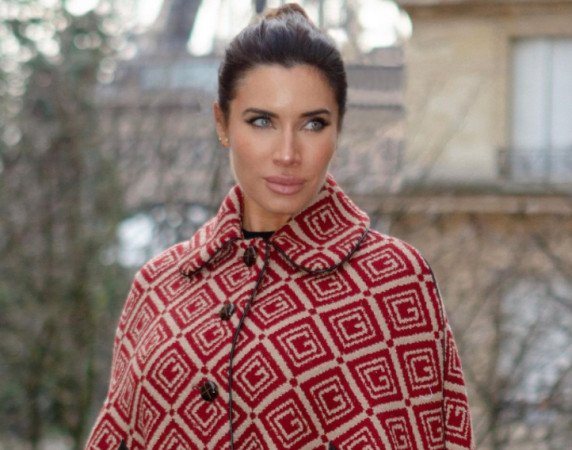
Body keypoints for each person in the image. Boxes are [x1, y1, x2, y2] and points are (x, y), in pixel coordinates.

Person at [85, 3, 474, 449]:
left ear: (338, 129)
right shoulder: (158, 286)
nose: (287, 154)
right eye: (262, 121)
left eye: (313, 124)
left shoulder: (392, 279)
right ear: (222, 124)